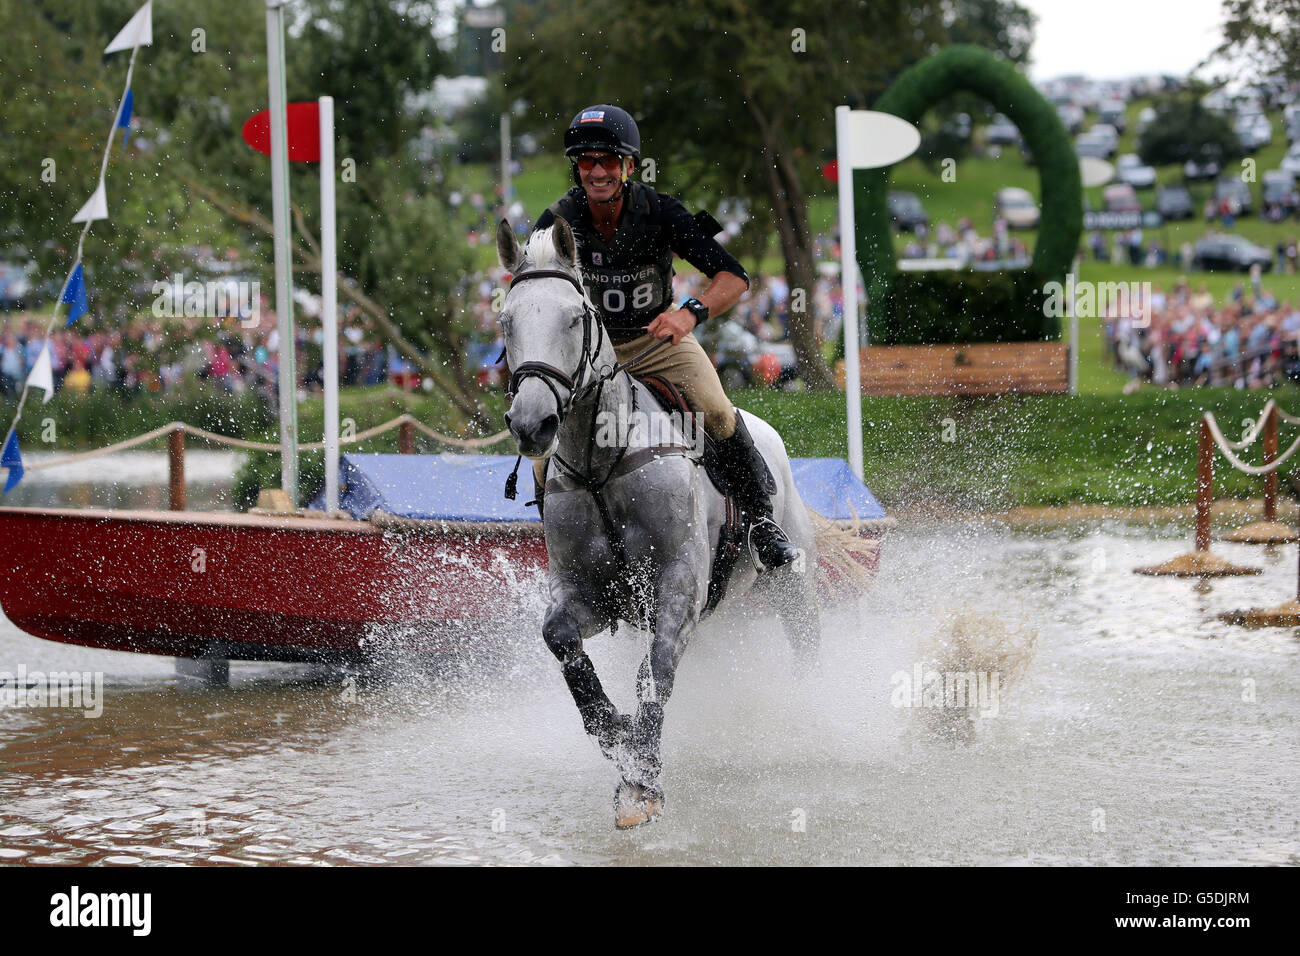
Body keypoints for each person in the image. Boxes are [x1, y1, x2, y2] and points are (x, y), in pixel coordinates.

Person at [527, 104, 798, 571]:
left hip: (658, 344)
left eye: (608, 161)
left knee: (715, 411)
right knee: (540, 452)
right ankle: (558, 549)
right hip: (591, 354)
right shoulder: (554, 223)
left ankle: (761, 522)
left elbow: (732, 277)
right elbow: (535, 293)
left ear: (628, 166)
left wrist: (689, 314)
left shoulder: (661, 212)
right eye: (587, 161)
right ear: (577, 167)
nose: (597, 171)